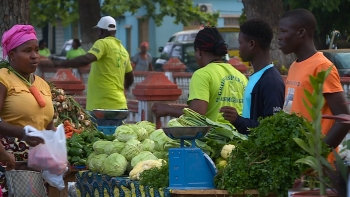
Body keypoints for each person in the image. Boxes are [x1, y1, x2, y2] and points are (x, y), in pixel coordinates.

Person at [278, 9, 350, 154]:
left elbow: (344, 119)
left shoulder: (321, 66)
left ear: (301, 32)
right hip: (295, 162)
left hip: (315, 170)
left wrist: (316, 156)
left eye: (283, 32)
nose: (279, 37)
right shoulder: (294, 66)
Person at [152, 26, 248, 124]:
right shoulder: (241, 76)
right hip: (240, 137)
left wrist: (167, 109)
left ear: (199, 52)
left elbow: (197, 113)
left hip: (214, 137)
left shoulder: (202, 74)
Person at [1, 24, 54, 196]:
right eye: (27, 51)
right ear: (12, 55)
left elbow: (48, 125)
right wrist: (22, 134)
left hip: (36, 167)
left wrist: (57, 153)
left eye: (37, 50)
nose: (34, 56)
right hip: (8, 163)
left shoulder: (42, 84)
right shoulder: (3, 78)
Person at [52, 16, 134, 119]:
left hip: (101, 106)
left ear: (101, 31)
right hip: (120, 105)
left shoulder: (102, 43)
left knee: (99, 134)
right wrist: (122, 89)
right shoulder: (123, 50)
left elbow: (87, 59)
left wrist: (61, 64)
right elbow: (130, 79)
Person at [220, 19, 285, 134]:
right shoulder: (256, 76)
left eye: (240, 43)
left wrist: (238, 120)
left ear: (251, 44)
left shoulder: (271, 82)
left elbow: (272, 128)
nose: (238, 47)